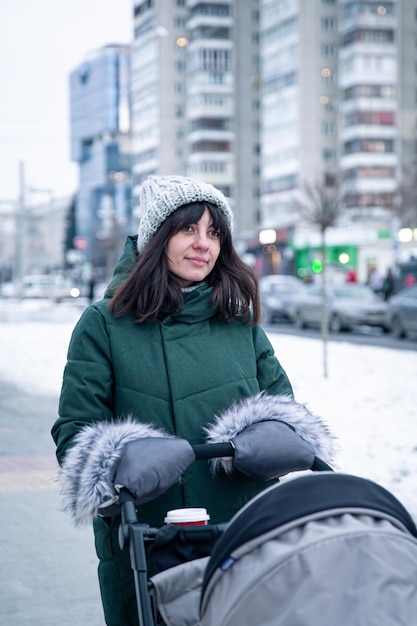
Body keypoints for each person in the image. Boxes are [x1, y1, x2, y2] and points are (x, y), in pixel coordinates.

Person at [51, 175, 336, 626]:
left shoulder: (238, 321)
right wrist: (121, 459)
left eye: (214, 232)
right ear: (156, 239)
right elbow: (75, 436)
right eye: (188, 229)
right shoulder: (103, 325)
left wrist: (274, 437)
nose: (204, 244)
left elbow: (285, 409)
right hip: (147, 543)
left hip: (245, 536)